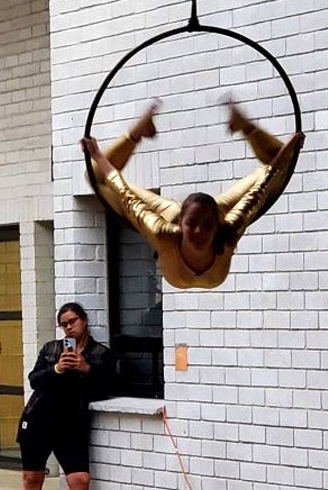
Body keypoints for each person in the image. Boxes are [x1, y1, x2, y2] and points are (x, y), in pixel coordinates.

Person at [80, 97, 304, 289]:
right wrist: (97, 156)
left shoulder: (228, 229)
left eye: (207, 226)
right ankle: (137, 133)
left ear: (217, 223)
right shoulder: (163, 232)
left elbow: (261, 189)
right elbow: (126, 197)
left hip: (212, 210)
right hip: (173, 213)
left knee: (279, 164)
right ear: (181, 224)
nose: (199, 232)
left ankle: (245, 126)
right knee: (94, 175)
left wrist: (290, 151)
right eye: (192, 224)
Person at [17, 302, 116, 490]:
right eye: (64, 324)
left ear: (84, 321)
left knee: (80, 480)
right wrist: (57, 368)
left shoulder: (100, 353)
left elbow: (106, 387)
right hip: (38, 419)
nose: (69, 327)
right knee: (32, 478)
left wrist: (86, 368)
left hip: (71, 422)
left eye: (73, 321)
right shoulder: (51, 349)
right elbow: (34, 380)